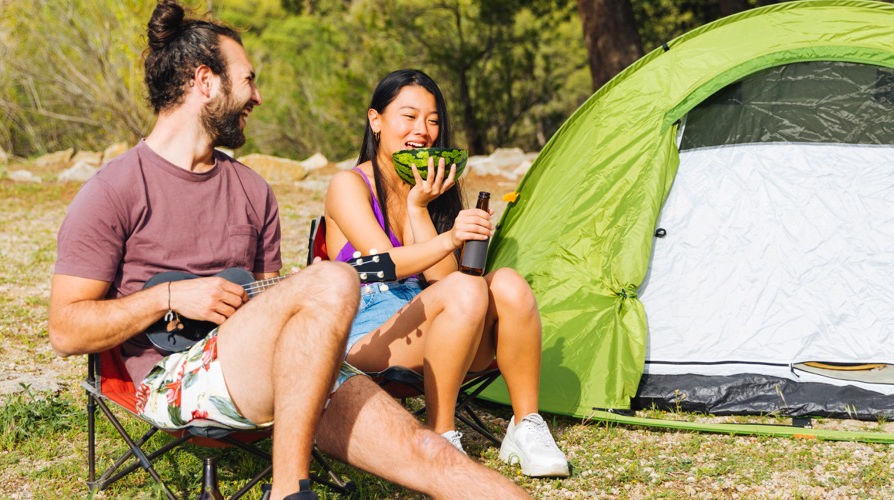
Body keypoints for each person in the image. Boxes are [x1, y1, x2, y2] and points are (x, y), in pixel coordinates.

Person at [46, 3, 528, 499]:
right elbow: (65, 329)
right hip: (169, 378)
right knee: (334, 278)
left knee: (434, 455)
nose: (257, 95)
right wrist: (168, 297)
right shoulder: (115, 188)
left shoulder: (253, 191)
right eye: (248, 80)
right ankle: (288, 489)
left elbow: (270, 304)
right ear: (205, 81)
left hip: (261, 363)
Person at [323, 69, 570, 478]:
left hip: (434, 325)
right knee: (465, 290)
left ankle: (525, 426)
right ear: (376, 120)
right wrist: (448, 237)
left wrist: (421, 209)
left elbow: (444, 279)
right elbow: (384, 262)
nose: (423, 130)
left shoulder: (429, 184)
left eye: (433, 120)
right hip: (370, 335)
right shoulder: (349, 185)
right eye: (409, 116)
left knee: (507, 282)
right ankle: (441, 435)